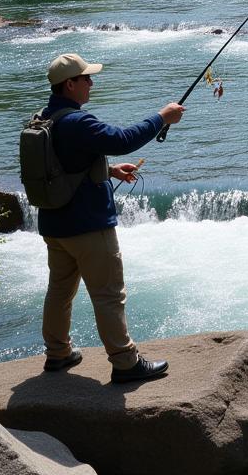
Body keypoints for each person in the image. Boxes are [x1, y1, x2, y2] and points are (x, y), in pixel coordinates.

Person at [38, 52, 185, 383]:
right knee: (108, 293)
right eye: (86, 78)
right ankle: (124, 362)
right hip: (87, 226)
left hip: (54, 224)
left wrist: (109, 170)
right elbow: (122, 140)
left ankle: (57, 354)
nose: (91, 82)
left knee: (59, 290)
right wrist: (162, 117)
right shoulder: (78, 122)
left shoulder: (44, 119)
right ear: (70, 84)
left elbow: (62, 165)